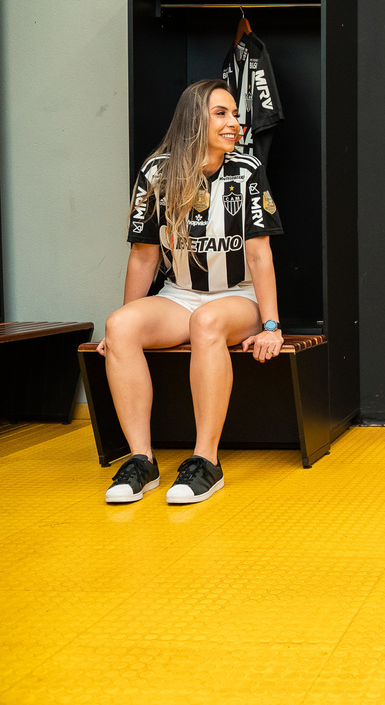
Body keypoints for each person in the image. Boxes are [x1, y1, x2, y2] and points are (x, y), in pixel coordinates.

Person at [98, 79, 285, 505]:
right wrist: (129, 326)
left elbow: (259, 256)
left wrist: (272, 325)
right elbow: (144, 257)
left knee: (207, 321)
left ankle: (206, 462)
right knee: (119, 325)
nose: (234, 123)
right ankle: (141, 462)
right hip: (178, 295)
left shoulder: (247, 170)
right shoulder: (156, 173)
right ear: (193, 120)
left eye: (235, 114)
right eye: (221, 113)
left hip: (238, 297)